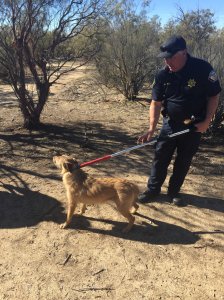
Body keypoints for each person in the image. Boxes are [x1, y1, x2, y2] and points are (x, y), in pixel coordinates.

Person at [137, 35, 222, 206]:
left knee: (183, 160)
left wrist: (206, 121)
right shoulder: (163, 74)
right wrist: (152, 128)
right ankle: (153, 189)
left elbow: (213, 96)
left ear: (184, 53)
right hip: (170, 124)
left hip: (193, 126)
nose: (168, 62)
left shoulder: (202, 68)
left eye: (171, 57)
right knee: (160, 157)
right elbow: (156, 102)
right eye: (165, 58)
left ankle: (174, 191)